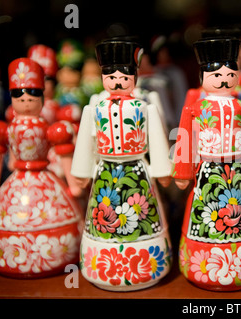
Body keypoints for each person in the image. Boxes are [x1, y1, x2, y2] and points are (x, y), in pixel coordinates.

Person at [70, 38, 173, 291]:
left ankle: (149, 264)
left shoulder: (144, 107)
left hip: (137, 171)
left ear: (134, 77)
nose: (117, 81)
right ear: (103, 77)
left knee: (144, 216)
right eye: (110, 75)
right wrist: (82, 173)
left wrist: (162, 171)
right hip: (105, 172)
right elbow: (85, 140)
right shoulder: (95, 108)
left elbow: (158, 139)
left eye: (124, 76)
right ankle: (101, 265)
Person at [172, 36, 241, 291]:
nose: (224, 79)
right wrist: (182, 171)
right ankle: (202, 263)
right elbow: (185, 139)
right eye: (216, 75)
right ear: (203, 76)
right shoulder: (196, 108)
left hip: (238, 172)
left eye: (230, 73)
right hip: (207, 172)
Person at [0, 58, 81, 278]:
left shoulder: (47, 126)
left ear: (42, 97)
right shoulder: (9, 128)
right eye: (19, 95)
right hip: (20, 179)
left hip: (45, 178)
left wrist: (73, 185)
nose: (26, 100)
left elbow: (63, 147)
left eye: (33, 94)